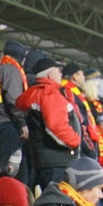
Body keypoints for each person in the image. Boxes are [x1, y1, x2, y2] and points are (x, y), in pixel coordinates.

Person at [16, 58, 81, 190]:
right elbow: (56, 126)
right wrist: (75, 141)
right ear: (50, 74)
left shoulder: (35, 92)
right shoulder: (49, 93)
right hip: (57, 159)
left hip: (42, 158)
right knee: (57, 197)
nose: (61, 74)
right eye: (58, 71)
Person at [0, 40, 29, 183]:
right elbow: (13, 99)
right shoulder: (12, 70)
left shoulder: (0, 67)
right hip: (7, 123)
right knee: (10, 168)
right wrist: (22, 123)